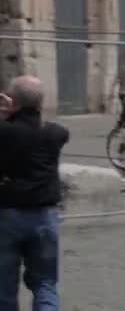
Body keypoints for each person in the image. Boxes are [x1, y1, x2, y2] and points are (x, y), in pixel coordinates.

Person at [0, 76, 69, 311]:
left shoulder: (4, 131)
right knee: (46, 284)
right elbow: (55, 129)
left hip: (7, 217)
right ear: (41, 103)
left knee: (4, 289)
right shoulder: (55, 133)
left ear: (12, 102)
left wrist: (8, 113)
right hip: (45, 218)